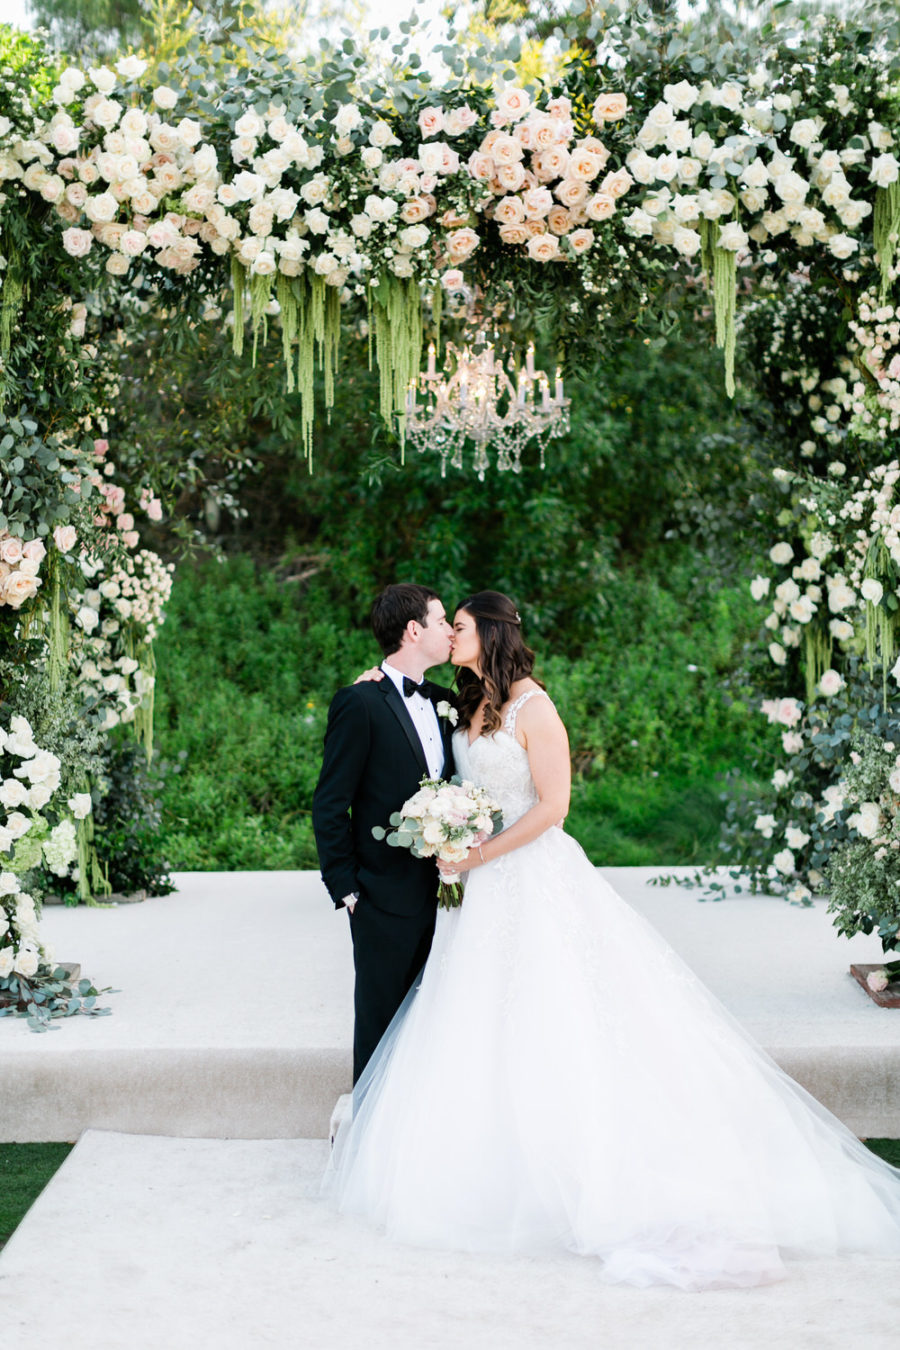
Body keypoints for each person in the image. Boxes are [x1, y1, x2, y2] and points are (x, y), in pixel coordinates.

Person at [323, 590, 900, 1291]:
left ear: (490, 633)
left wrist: (477, 854)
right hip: (472, 899)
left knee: (558, 1014)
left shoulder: (536, 706)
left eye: (463, 625)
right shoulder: (461, 701)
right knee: (478, 1019)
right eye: (447, 625)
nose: (452, 634)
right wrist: (448, 827)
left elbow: (555, 808)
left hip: (527, 878)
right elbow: (400, 746)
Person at [312, 583, 456, 1085]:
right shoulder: (360, 702)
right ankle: (367, 1146)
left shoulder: (446, 701)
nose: (449, 632)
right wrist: (348, 890)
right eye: (441, 622)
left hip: (451, 896)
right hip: (382, 898)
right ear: (414, 630)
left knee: (437, 1022)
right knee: (380, 1025)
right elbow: (331, 802)